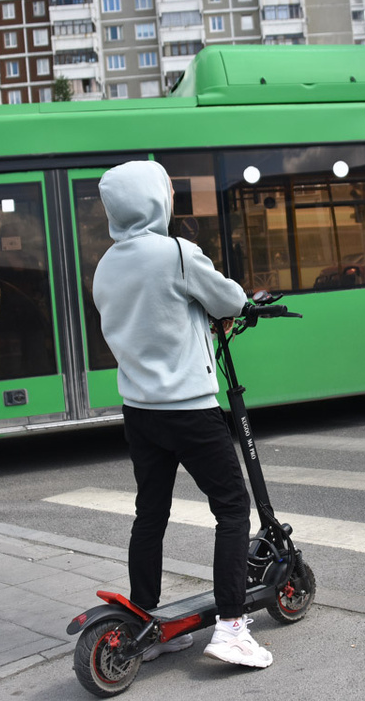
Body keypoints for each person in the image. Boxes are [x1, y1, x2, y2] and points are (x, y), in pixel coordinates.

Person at [91, 160, 273, 669]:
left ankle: (146, 620)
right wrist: (237, 304)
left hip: (140, 412)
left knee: (151, 513)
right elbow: (229, 299)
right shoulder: (176, 252)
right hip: (190, 409)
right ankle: (233, 628)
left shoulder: (107, 264)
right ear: (153, 199)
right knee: (233, 509)